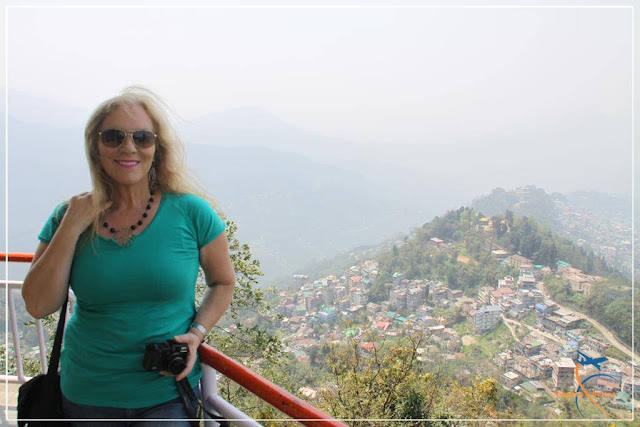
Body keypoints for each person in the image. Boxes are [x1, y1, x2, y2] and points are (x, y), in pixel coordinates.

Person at [21, 87, 236, 425]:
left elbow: (223, 282)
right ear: (96, 146)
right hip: (87, 394)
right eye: (113, 136)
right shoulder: (69, 215)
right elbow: (37, 304)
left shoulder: (191, 213)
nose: (128, 147)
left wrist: (196, 334)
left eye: (142, 137)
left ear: (156, 148)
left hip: (166, 395)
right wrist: (71, 226)